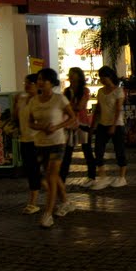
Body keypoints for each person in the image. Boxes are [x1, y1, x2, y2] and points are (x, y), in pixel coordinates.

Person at [27, 68, 77, 228]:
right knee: (52, 177)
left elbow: (72, 118)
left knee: (51, 176)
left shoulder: (60, 99)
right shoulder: (33, 101)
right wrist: (41, 127)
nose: (40, 82)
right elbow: (30, 122)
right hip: (40, 143)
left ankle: (48, 213)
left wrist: (57, 127)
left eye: (44, 80)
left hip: (57, 142)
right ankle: (66, 202)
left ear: (51, 82)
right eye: (39, 79)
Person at [91, 66, 128, 187]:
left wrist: (113, 125)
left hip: (117, 125)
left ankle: (122, 177)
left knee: (120, 151)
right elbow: (98, 108)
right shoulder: (101, 91)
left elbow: (118, 109)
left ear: (110, 77)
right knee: (98, 150)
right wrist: (93, 124)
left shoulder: (118, 91)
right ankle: (103, 177)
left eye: (103, 77)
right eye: (100, 77)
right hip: (102, 124)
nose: (101, 79)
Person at [60, 67, 97, 187]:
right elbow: (65, 107)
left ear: (78, 76)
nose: (70, 76)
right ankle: (62, 178)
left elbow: (80, 106)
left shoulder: (84, 90)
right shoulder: (67, 90)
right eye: (70, 74)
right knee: (68, 153)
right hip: (70, 125)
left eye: (73, 74)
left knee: (87, 151)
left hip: (83, 124)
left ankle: (92, 176)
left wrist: (69, 106)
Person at [14, 73, 42, 214]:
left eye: (29, 83)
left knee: (35, 171)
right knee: (31, 171)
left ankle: (33, 202)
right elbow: (16, 117)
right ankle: (61, 197)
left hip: (38, 141)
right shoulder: (21, 98)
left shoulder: (40, 101)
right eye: (25, 82)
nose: (26, 85)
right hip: (24, 139)